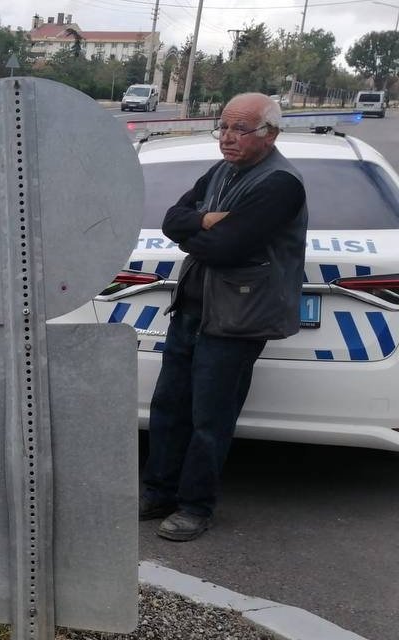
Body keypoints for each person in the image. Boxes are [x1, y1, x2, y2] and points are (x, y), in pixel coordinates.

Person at [140, 93, 308, 542]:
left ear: (269, 134)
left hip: (236, 319)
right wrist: (209, 220)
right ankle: (158, 492)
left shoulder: (280, 184)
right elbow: (171, 220)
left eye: (240, 129)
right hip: (192, 311)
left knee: (209, 418)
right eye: (224, 127)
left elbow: (225, 249)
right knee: (169, 407)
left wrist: (198, 228)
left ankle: (195, 506)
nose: (228, 138)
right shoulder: (221, 171)